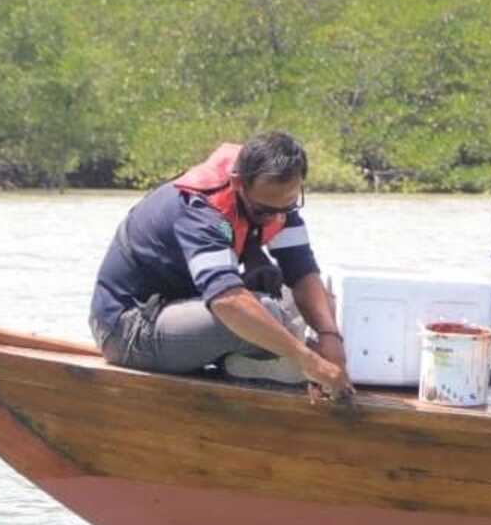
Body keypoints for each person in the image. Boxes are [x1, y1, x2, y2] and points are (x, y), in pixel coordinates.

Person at [88, 132, 353, 401]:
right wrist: (308, 359)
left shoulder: (276, 202)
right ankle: (251, 366)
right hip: (128, 329)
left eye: (289, 206)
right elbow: (227, 302)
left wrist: (330, 337)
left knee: (324, 302)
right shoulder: (199, 211)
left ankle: (273, 361)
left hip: (186, 308)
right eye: (264, 211)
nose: (277, 217)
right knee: (267, 311)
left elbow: (302, 273)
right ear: (238, 183)